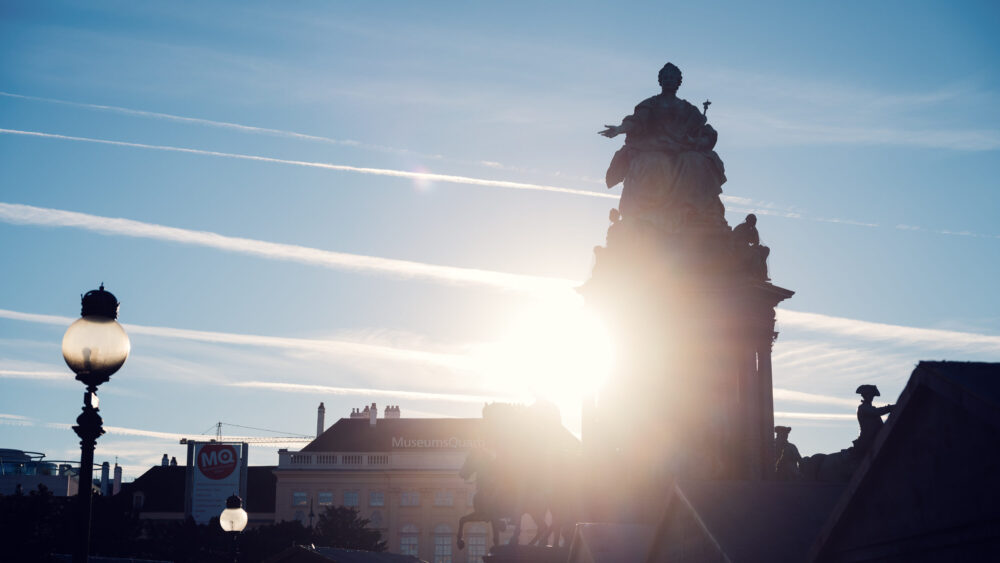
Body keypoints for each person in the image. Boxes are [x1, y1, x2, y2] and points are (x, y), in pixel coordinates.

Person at [599, 63, 727, 235]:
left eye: (672, 78)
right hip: (655, 147)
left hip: (682, 148)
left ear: (678, 82)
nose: (669, 80)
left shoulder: (688, 108)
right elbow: (636, 122)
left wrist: (697, 140)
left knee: (696, 162)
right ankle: (648, 216)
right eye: (665, 78)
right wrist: (619, 129)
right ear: (660, 81)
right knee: (654, 163)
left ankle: (694, 212)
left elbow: (704, 131)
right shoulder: (650, 104)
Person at [852, 384, 893, 455]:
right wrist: (890, 408)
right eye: (870, 395)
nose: (872, 397)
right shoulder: (863, 408)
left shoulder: (870, 408)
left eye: (872, 396)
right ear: (865, 395)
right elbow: (876, 412)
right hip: (866, 441)